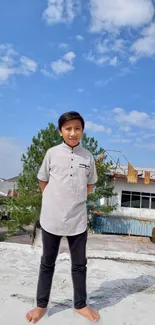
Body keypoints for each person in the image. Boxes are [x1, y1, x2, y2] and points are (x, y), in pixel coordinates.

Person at [26, 111, 100, 323]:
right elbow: (43, 179)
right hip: (51, 218)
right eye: (68, 128)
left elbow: (91, 182)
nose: (73, 132)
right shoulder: (51, 153)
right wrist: (52, 198)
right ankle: (41, 306)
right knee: (47, 263)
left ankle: (80, 304)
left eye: (77, 128)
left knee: (79, 265)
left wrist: (77, 198)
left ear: (82, 131)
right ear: (61, 131)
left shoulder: (88, 156)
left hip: (77, 219)